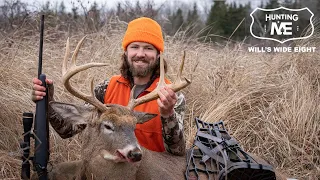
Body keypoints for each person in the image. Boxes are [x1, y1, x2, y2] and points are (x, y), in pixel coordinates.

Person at [31, 17, 186, 156]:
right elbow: (67, 130)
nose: (140, 53)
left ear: (158, 54)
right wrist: (47, 100)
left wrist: (167, 113)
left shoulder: (171, 95)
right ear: (126, 52)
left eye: (148, 48)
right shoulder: (106, 89)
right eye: (135, 47)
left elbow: (177, 152)